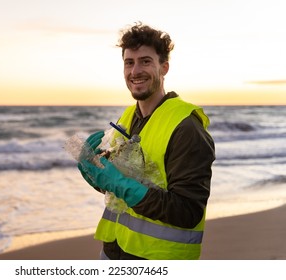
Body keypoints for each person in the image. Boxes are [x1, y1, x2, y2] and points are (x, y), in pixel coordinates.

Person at [78, 22, 215, 260]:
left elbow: (188, 211)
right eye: (129, 62)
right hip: (113, 252)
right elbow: (116, 186)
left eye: (145, 61)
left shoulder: (186, 127)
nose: (135, 71)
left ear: (164, 67)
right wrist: (93, 172)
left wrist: (119, 183)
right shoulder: (126, 118)